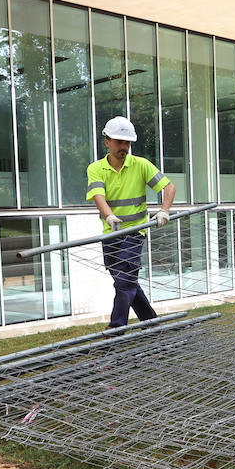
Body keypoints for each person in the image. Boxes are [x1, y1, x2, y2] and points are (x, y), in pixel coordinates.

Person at [86, 116, 175, 326]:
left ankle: (116, 329)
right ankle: (151, 324)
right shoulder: (96, 168)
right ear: (107, 142)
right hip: (111, 233)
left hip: (135, 232)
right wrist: (109, 216)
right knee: (126, 281)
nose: (124, 147)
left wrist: (164, 211)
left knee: (125, 282)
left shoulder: (140, 165)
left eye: (127, 143)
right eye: (119, 142)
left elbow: (168, 187)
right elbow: (98, 195)